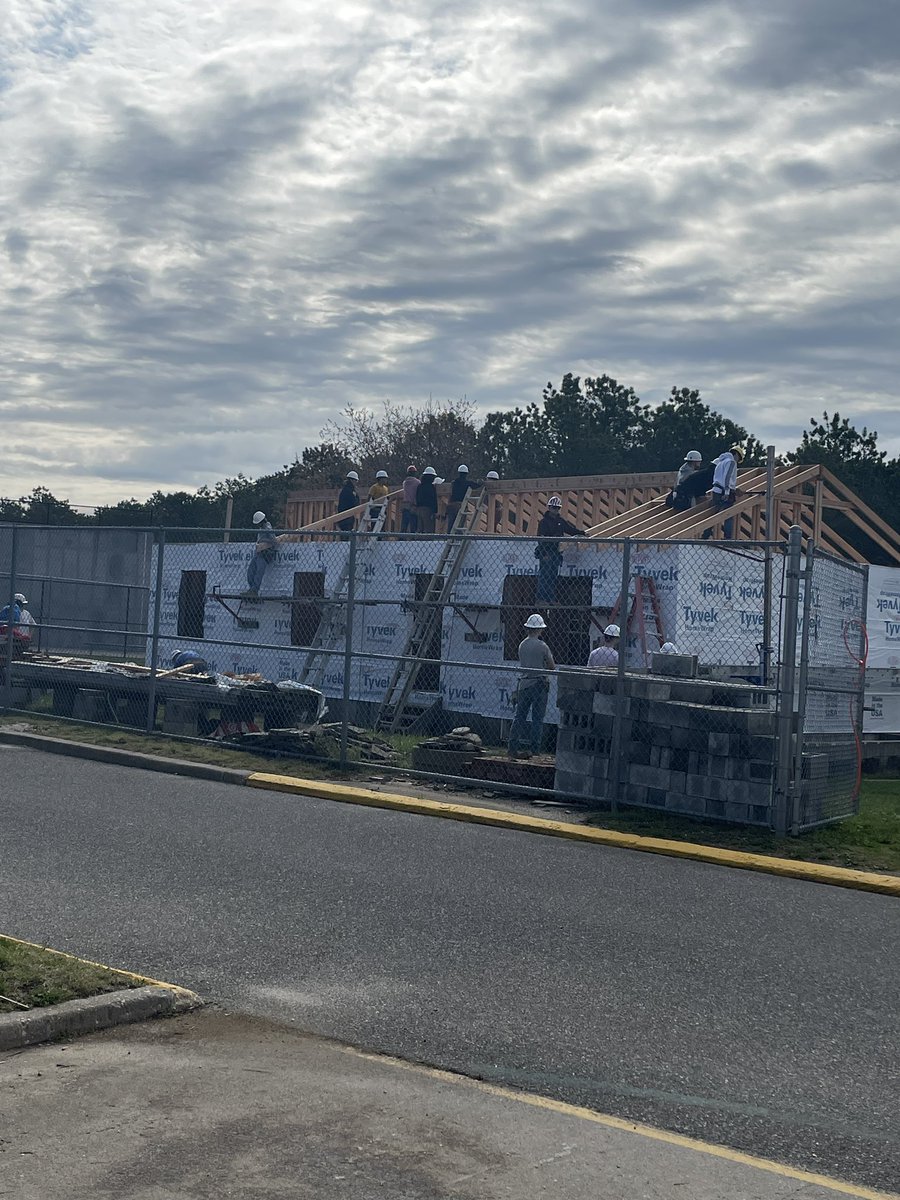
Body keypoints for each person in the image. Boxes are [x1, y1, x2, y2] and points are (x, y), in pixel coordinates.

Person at [508, 614, 555, 759]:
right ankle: (535, 750)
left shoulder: (522, 645)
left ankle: (512, 748)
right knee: (537, 719)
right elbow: (552, 666)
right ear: (540, 629)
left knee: (519, 717)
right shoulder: (542, 646)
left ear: (528, 628)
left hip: (524, 683)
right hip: (539, 683)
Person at [535, 496, 580, 602]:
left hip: (555, 553)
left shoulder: (560, 521)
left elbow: (570, 530)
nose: (555, 510)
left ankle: (550, 599)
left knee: (552, 577)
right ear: (549, 507)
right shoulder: (544, 522)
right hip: (546, 552)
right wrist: (544, 553)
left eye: (557, 508)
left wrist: (582, 533)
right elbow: (541, 539)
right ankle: (541, 599)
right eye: (553, 507)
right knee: (544, 577)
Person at [708, 446, 744, 538]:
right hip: (724, 492)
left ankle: (705, 535)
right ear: (736, 454)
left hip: (716, 490)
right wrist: (727, 492)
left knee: (713, 514)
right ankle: (727, 539)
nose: (737, 461)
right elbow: (727, 478)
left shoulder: (720, 462)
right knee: (729, 515)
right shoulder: (731, 462)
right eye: (738, 458)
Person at [244, 512, 277, 597]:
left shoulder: (267, 527)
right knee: (250, 572)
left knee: (259, 572)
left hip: (265, 554)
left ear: (262, 521)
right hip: (259, 553)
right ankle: (252, 590)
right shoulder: (262, 528)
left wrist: (264, 545)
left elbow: (274, 540)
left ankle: (254, 591)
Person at [445, 464, 472, 531]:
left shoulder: (454, 482)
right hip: (460, 505)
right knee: (460, 524)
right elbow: (476, 485)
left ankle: (449, 538)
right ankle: (458, 538)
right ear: (466, 474)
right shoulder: (467, 483)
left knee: (451, 524)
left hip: (451, 505)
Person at [336, 471, 360, 538]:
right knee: (346, 534)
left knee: (345, 534)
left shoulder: (346, 490)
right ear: (352, 480)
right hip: (346, 517)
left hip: (345, 516)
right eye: (355, 481)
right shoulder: (349, 491)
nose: (356, 483)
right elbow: (355, 502)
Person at [415, 466, 439, 534]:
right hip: (428, 509)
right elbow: (433, 499)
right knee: (428, 528)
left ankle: (418, 541)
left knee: (420, 528)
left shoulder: (420, 486)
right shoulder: (431, 487)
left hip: (419, 509)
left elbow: (417, 497)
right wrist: (435, 511)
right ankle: (427, 540)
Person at [401, 465, 420, 533]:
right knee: (413, 523)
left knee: (404, 523)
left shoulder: (405, 482)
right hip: (413, 505)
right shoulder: (418, 482)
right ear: (415, 473)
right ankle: (412, 537)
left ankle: (401, 538)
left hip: (405, 504)